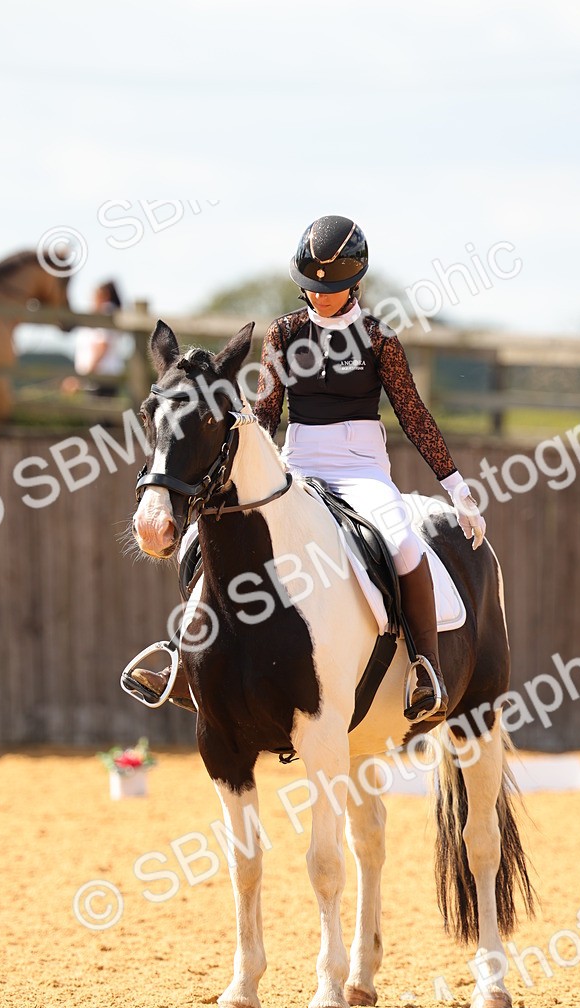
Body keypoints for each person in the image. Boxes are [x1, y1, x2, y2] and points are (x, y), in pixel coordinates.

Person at [130, 216, 486, 722]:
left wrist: (456, 488)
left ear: (354, 282)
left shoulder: (378, 338)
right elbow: (268, 414)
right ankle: (185, 656)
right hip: (299, 466)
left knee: (403, 542)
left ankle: (425, 667)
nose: (321, 297)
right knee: (203, 537)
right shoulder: (285, 333)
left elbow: (413, 415)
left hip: (362, 470)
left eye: (333, 289)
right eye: (313, 288)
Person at [62, 280, 125, 398]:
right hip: (101, 379)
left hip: (99, 379)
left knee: (100, 414)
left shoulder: (104, 314)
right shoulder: (108, 315)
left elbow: (101, 347)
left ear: (104, 296)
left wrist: (82, 378)